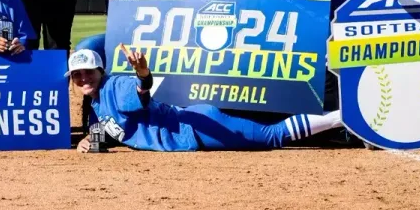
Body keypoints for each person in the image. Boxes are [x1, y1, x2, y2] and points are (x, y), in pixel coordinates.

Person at [71, 48, 342, 152]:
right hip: (195, 123)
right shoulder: (96, 102)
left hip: (197, 128)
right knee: (268, 125)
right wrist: (89, 139)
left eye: (88, 72)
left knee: (271, 135)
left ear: (100, 71)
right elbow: (111, 126)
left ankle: (342, 117)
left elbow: (141, 92)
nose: (84, 78)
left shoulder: (114, 86)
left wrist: (143, 74)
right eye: (77, 75)